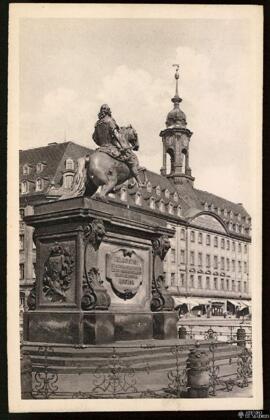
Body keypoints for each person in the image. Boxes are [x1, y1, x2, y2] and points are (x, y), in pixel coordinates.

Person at [92, 104, 145, 186]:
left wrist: (102, 144)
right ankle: (139, 182)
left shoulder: (97, 124)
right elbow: (117, 135)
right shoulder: (110, 121)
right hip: (110, 148)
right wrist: (124, 147)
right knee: (131, 159)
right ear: (108, 111)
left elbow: (94, 138)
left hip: (101, 149)